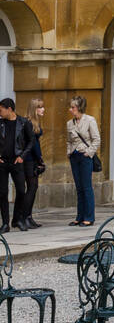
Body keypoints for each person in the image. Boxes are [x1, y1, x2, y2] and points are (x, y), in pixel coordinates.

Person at [0, 97, 35, 233]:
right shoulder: (0, 123)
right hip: (3, 162)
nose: (0, 113)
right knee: (2, 193)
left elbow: (31, 141)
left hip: (17, 161)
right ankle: (5, 223)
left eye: (1, 110)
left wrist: (22, 156)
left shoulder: (24, 122)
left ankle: (17, 219)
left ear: (9, 109)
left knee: (21, 190)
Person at [66, 95, 100, 227]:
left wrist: (89, 153)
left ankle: (89, 217)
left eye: (73, 107)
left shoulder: (90, 120)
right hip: (74, 157)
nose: (70, 109)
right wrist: (69, 152)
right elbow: (69, 140)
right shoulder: (69, 123)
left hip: (85, 156)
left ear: (79, 108)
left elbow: (96, 139)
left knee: (86, 187)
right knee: (79, 188)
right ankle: (79, 217)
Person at [20, 97, 46, 230]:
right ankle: (24, 217)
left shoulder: (33, 122)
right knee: (31, 188)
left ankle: (28, 217)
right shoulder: (29, 123)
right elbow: (33, 144)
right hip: (29, 160)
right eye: (40, 107)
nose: (43, 109)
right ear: (34, 109)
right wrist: (40, 158)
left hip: (32, 159)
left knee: (33, 188)